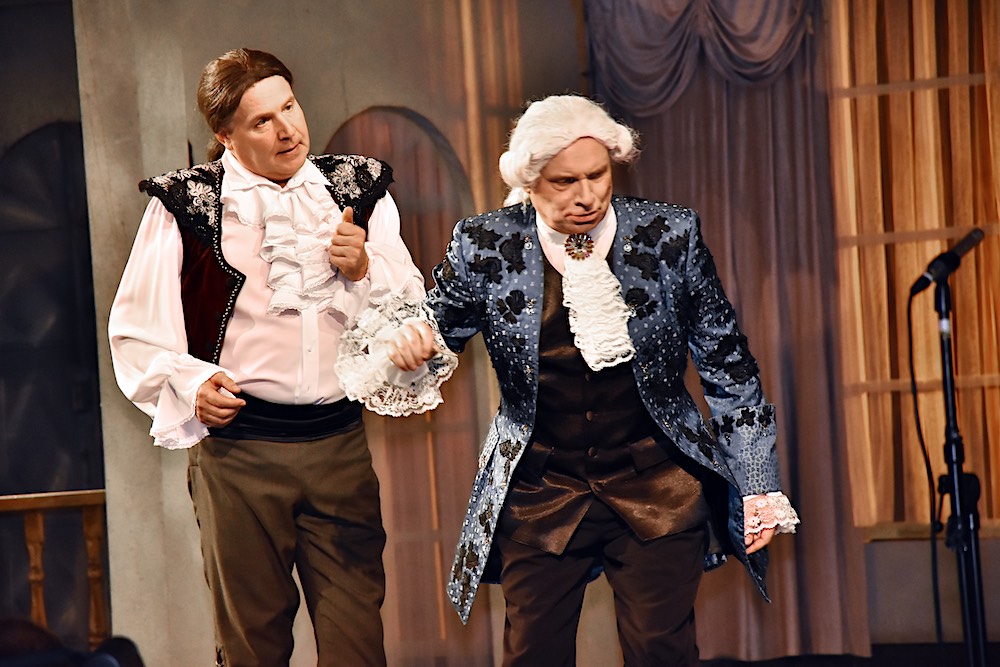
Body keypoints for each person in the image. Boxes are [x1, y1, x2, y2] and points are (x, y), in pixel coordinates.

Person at [379, 95, 800, 665]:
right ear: (529, 181)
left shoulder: (668, 234)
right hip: (540, 489)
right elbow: (433, 335)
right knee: (532, 654)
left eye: (598, 175)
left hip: (658, 485)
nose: (587, 195)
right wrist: (410, 347)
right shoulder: (484, 244)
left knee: (662, 651)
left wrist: (757, 484)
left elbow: (728, 366)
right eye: (564, 181)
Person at [108, 48, 425, 667]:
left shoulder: (356, 190)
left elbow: (410, 308)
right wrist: (191, 385)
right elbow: (136, 332)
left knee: (358, 645)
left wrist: (364, 267)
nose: (288, 130)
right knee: (253, 647)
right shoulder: (187, 206)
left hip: (339, 446)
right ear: (226, 136)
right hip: (240, 455)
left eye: (290, 107)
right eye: (262, 121)